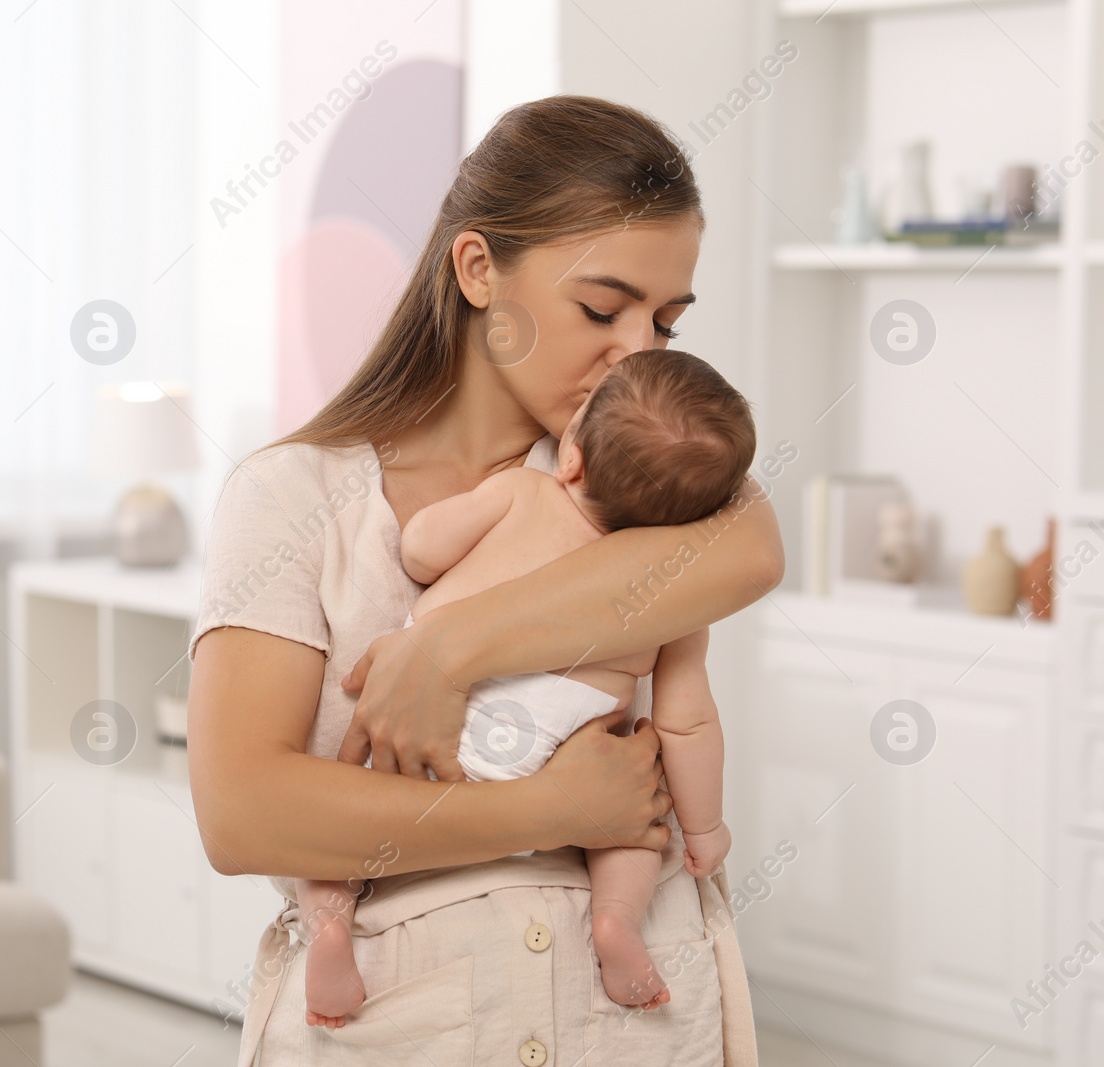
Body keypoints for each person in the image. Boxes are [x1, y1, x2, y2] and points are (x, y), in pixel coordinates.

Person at [186, 95, 783, 1066]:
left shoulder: (652, 478)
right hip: (401, 1024)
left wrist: (448, 646)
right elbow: (243, 810)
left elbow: (755, 548)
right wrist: (547, 811)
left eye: (666, 321)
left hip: (637, 1026)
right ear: (476, 269)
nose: (636, 352)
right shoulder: (296, 495)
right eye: (601, 307)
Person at [294, 348, 756, 1025]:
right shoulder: (677, 596)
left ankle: (331, 924)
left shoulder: (524, 493)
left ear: (571, 457)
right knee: (633, 833)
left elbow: (420, 548)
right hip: (550, 754)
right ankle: (614, 925)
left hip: (422, 726)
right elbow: (689, 724)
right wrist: (706, 828)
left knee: (327, 835)